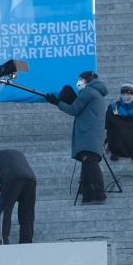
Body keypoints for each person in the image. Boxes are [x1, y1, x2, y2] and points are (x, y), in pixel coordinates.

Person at [50, 71, 110, 203]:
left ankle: (99, 195)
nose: (79, 82)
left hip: (87, 134)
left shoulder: (88, 92)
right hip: (92, 134)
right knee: (87, 164)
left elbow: (74, 110)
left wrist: (57, 102)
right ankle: (87, 196)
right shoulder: (97, 93)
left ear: (87, 80)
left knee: (90, 163)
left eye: (81, 79)